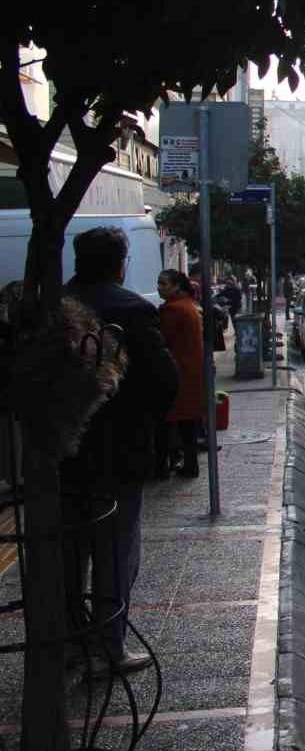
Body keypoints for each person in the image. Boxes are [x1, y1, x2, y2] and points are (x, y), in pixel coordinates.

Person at [61, 227, 179, 675]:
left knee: (68, 553)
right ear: (120, 262)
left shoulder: (51, 307)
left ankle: (73, 643)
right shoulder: (132, 309)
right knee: (115, 551)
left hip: (60, 455)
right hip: (119, 452)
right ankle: (110, 645)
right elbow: (163, 381)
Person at [157, 269, 204, 478]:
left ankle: (164, 466)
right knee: (188, 424)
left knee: (169, 423)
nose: (159, 287)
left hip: (178, 373)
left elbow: (161, 341)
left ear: (176, 286)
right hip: (190, 372)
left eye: (164, 284)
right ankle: (189, 464)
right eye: (159, 283)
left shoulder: (172, 310)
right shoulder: (188, 305)